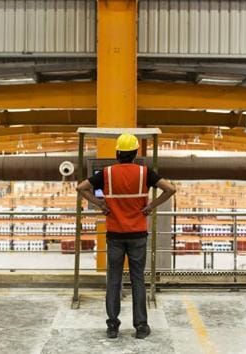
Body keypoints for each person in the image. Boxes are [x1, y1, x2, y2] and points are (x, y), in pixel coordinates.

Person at [76, 133, 176, 340]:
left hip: (114, 234)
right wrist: (150, 206)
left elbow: (81, 187)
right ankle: (141, 326)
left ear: (118, 153)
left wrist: (100, 204)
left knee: (113, 279)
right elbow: (170, 189)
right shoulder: (144, 173)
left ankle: (113, 326)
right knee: (138, 280)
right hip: (138, 234)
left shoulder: (106, 174)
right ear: (135, 153)